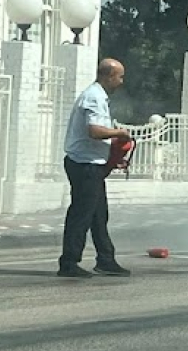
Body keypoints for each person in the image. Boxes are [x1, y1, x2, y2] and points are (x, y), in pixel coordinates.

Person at [57, 59, 132, 279]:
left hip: (91, 164)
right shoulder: (94, 97)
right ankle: (69, 263)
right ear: (108, 76)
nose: (121, 81)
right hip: (85, 165)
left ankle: (106, 259)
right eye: (119, 76)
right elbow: (95, 131)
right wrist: (120, 134)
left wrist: (112, 156)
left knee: (99, 215)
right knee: (81, 214)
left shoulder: (98, 96)